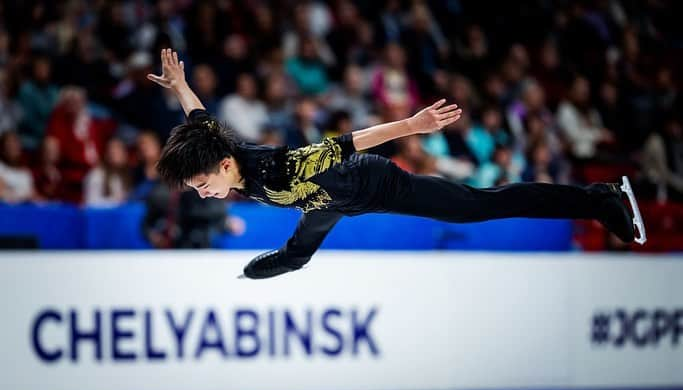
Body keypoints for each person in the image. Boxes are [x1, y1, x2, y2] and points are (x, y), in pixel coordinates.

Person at [148, 48, 646, 279]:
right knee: (301, 247)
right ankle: (293, 258)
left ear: (223, 165)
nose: (201, 192)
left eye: (200, 184)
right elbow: (199, 119)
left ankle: (600, 199)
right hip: (325, 200)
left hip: (367, 184)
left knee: (478, 206)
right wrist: (181, 87)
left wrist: (412, 125)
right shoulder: (216, 148)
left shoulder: (280, 167)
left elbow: (348, 142)